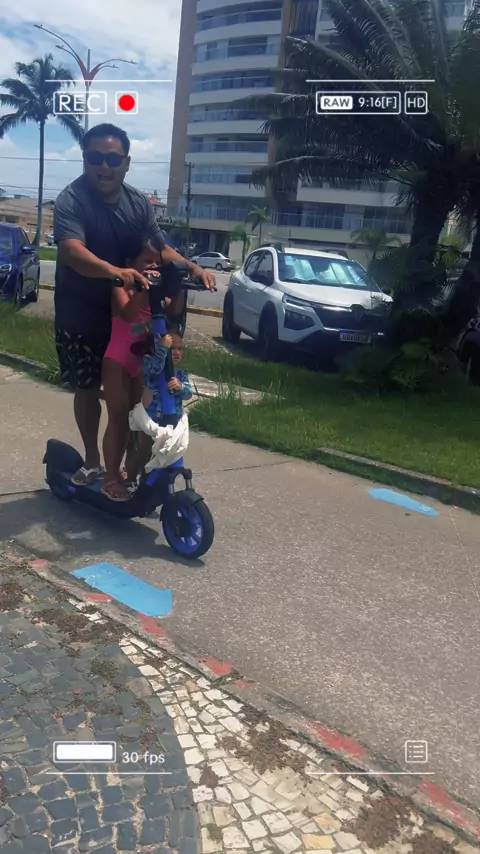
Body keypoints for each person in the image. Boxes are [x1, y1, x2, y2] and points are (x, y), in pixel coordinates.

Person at [53, 122, 215, 486]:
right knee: (86, 387)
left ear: (126, 163)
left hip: (132, 314)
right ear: (85, 159)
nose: (104, 166)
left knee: (129, 399)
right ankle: (93, 461)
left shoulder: (137, 203)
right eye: (96, 157)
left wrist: (190, 267)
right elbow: (72, 251)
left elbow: (159, 247)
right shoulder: (72, 199)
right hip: (82, 309)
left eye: (113, 159)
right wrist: (115, 272)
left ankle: (124, 468)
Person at [101, 242, 163, 501]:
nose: (153, 265)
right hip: (117, 361)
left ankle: (132, 473)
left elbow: (171, 309)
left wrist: (179, 284)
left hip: (141, 364)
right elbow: (127, 314)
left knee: (136, 421)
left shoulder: (155, 290)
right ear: (130, 263)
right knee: (117, 419)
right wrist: (141, 287)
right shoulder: (120, 286)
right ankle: (110, 477)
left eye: (156, 261)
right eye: (147, 261)